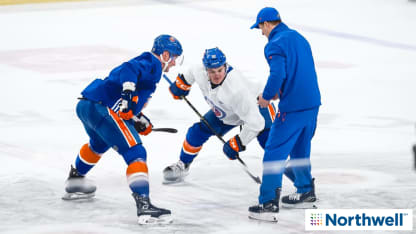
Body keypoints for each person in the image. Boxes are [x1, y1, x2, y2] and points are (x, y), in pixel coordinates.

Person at [62, 34, 183, 225]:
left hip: (88, 106)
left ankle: (75, 181)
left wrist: (139, 119)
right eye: (175, 57)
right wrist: (127, 94)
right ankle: (144, 206)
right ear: (166, 55)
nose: (175, 63)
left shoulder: (150, 69)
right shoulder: (152, 63)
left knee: (99, 144)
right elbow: (129, 70)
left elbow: (126, 105)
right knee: (135, 152)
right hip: (102, 108)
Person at [248, 7, 322, 222]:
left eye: (260, 28)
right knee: (300, 150)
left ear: (267, 24)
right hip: (312, 104)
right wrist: (283, 90)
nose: (261, 32)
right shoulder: (299, 37)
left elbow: (278, 73)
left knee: (273, 153)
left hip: (292, 108)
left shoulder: (274, 44)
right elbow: (301, 70)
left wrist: (267, 96)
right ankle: (305, 191)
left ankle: (269, 202)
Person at [163, 47, 276, 183]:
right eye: (212, 71)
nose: (217, 75)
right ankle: (183, 165)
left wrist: (239, 143)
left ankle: (297, 173)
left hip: (257, 107)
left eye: (220, 70)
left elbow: (256, 123)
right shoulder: (199, 69)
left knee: (270, 143)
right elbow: (191, 73)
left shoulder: (236, 90)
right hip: (226, 111)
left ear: (225, 66)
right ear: (206, 70)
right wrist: (182, 85)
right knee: (196, 133)